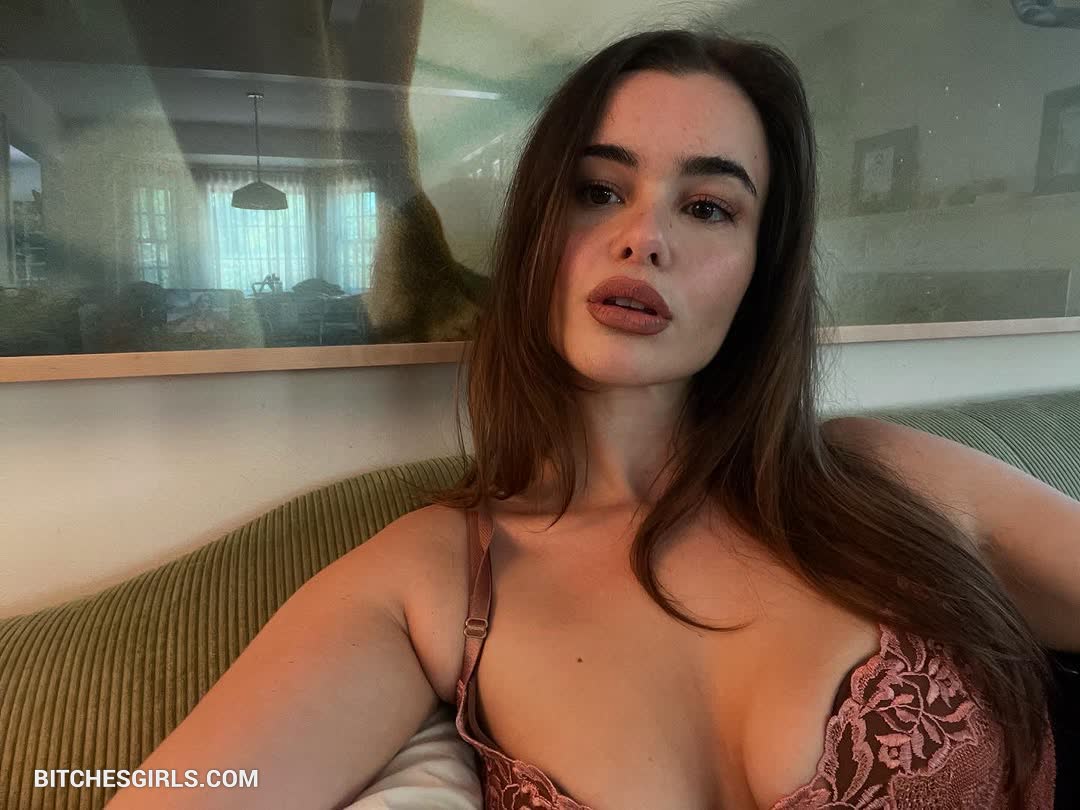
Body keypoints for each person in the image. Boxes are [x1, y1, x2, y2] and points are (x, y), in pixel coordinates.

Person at [106, 27, 1078, 810]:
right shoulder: (434, 576)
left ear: (760, 270)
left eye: (708, 207)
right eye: (599, 191)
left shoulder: (885, 477)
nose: (643, 236)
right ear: (536, 232)